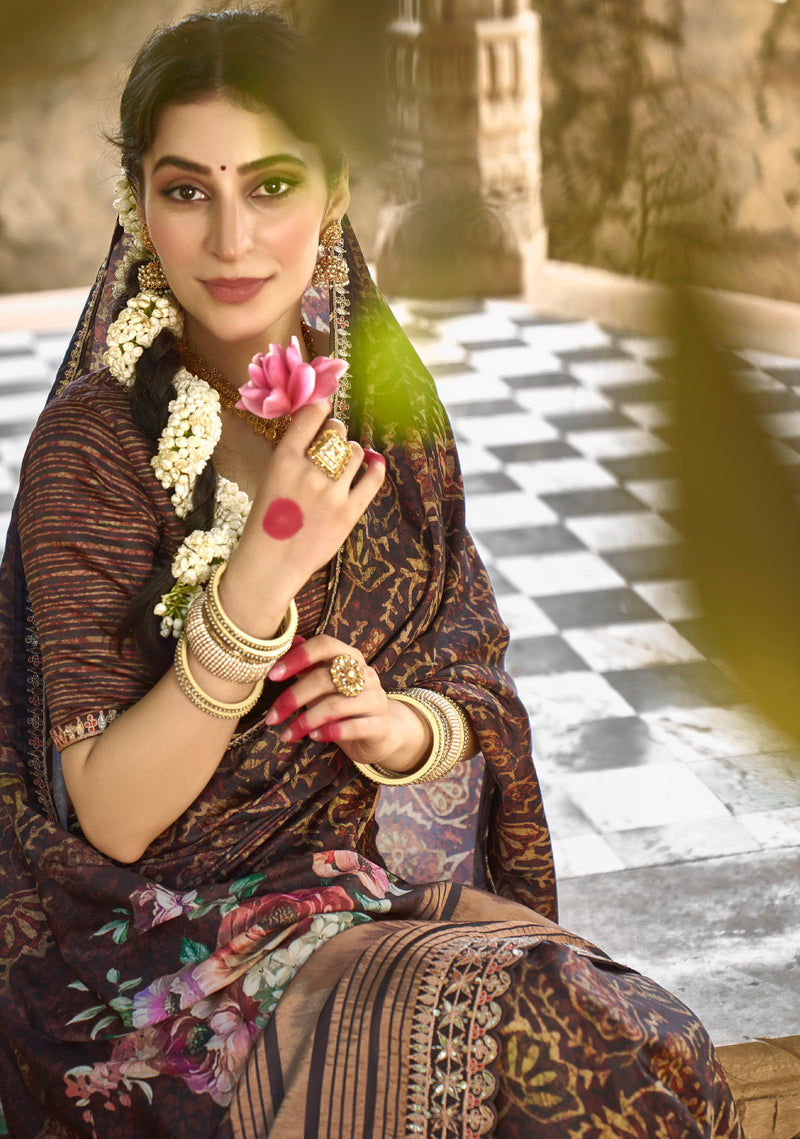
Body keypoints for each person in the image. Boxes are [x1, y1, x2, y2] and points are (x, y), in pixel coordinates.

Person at [0, 8, 742, 1137]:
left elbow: (468, 660)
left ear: (335, 190)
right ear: (138, 205)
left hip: (360, 893)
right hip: (157, 954)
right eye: (187, 189)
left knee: (652, 1043)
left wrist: (392, 724)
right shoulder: (92, 451)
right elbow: (109, 813)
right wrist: (262, 573)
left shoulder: (382, 401)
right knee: (567, 1065)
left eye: (272, 183)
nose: (232, 239)